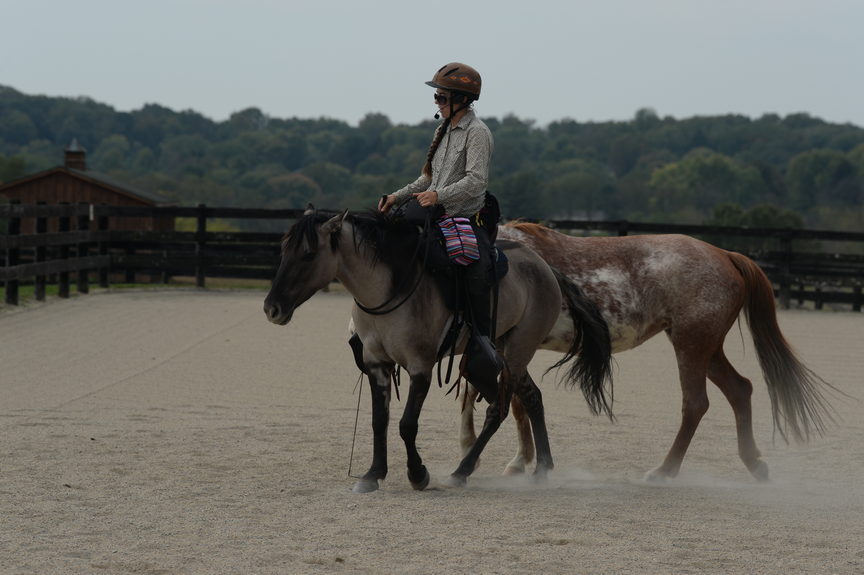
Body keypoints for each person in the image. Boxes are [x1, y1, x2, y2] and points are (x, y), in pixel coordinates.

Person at [378, 62, 497, 356]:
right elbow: (427, 178)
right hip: (436, 212)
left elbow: (476, 181)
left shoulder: (477, 133)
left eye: (442, 97)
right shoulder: (442, 129)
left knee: (476, 271)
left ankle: (482, 341)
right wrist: (396, 196)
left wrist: (438, 195)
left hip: (466, 218)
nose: (437, 102)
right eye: (436, 96)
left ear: (463, 100)